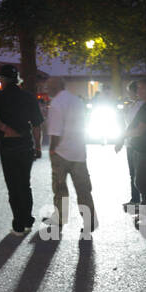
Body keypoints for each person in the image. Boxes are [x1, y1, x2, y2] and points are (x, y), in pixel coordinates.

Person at [0, 64, 44, 234]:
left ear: (3, 80)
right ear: (17, 79)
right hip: (25, 143)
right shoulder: (28, 97)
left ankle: (18, 223)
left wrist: (4, 128)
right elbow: (37, 125)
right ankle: (27, 219)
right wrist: (38, 146)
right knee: (25, 183)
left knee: (13, 184)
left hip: (8, 144)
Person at [46, 76, 96, 235]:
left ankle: (60, 218)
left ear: (55, 87)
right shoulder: (76, 100)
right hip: (79, 151)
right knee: (83, 189)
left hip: (62, 152)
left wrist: (52, 149)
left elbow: (55, 131)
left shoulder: (56, 103)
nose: (46, 90)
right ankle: (90, 221)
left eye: (48, 86)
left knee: (60, 187)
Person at [120, 76, 146, 225]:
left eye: (141, 88)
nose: (138, 90)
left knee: (141, 181)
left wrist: (121, 135)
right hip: (140, 147)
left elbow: (139, 130)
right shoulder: (145, 105)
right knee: (139, 180)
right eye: (137, 88)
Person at [115, 80, 141, 209]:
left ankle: (140, 201)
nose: (128, 94)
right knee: (133, 173)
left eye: (130, 91)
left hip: (136, 142)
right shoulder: (133, 105)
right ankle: (135, 199)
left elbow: (132, 125)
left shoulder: (140, 105)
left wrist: (121, 139)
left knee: (138, 175)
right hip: (130, 142)